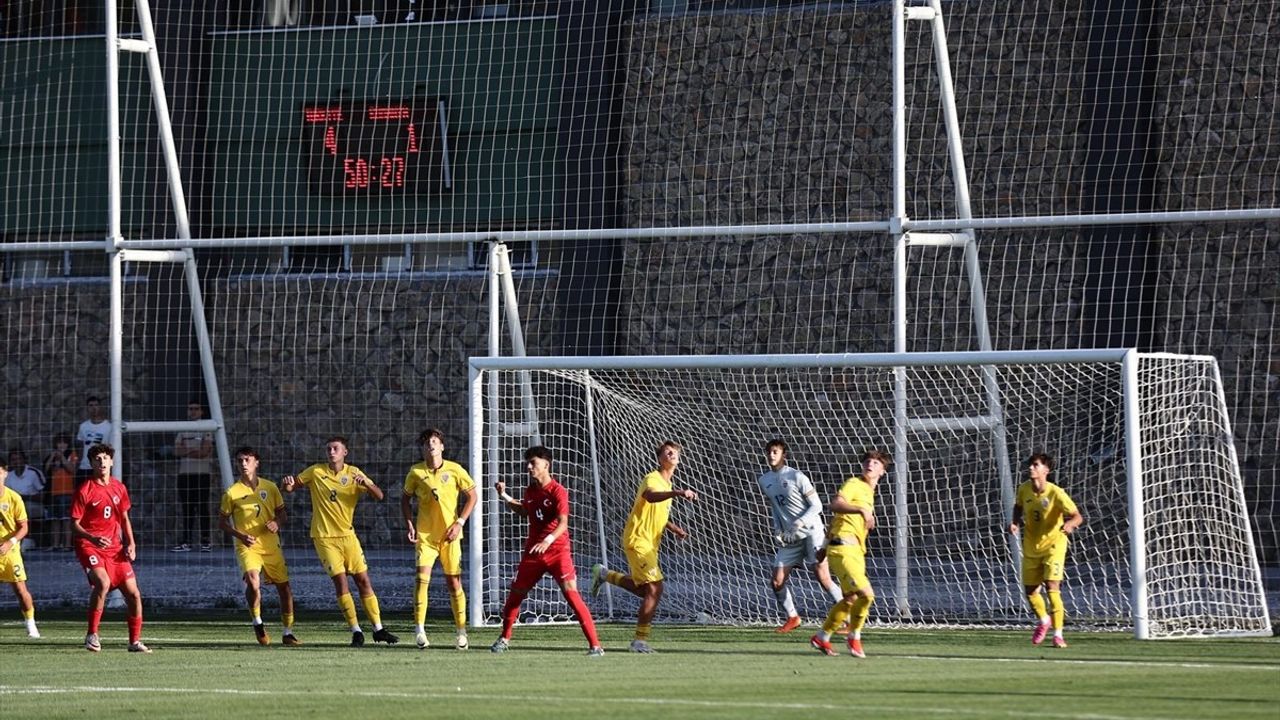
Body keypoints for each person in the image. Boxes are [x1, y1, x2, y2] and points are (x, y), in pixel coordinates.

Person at [282, 436, 398, 646]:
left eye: (335, 448)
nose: (331, 451)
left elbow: (379, 495)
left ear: (345, 452)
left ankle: (378, 629)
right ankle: (356, 631)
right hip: (324, 537)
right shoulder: (316, 471)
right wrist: (288, 485)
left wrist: (366, 485)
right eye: (328, 448)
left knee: (363, 580)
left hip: (348, 536)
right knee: (341, 581)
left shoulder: (354, 473)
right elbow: (292, 487)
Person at [490, 446, 603, 656]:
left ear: (546, 465)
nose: (529, 467)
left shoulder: (558, 491)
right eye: (528, 463)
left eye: (533, 463)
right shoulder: (530, 490)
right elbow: (524, 510)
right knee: (515, 594)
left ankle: (596, 646)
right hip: (534, 552)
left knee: (571, 595)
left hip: (558, 551)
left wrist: (548, 540)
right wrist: (503, 495)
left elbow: (563, 523)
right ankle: (504, 639)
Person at [590, 440, 697, 653]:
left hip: (649, 544)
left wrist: (674, 528)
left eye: (674, 452)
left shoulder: (665, 484)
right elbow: (649, 496)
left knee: (644, 590)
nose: (671, 454)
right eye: (667, 452)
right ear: (660, 459)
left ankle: (605, 574)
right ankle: (639, 642)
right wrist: (677, 493)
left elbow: (657, 513)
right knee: (656, 588)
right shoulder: (653, 478)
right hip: (638, 539)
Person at [756, 439, 845, 633]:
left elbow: (817, 506)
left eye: (775, 452)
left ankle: (846, 617)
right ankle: (793, 617)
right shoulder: (764, 480)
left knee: (822, 576)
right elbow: (775, 508)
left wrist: (799, 522)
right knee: (777, 580)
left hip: (812, 531)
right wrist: (777, 530)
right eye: (769, 452)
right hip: (790, 537)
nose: (772, 455)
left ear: (783, 455)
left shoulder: (797, 476)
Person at [400, 428, 476, 650]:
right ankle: (420, 631)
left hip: (450, 537)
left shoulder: (455, 470)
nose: (430, 445)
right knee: (422, 579)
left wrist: (460, 522)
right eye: (426, 443)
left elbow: (472, 495)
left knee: (454, 583)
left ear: (442, 446)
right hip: (426, 536)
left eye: (434, 441)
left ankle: (461, 632)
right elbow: (404, 499)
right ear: (422, 449)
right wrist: (409, 523)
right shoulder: (415, 472)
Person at [810, 449, 889, 659]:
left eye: (876, 463)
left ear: (882, 471)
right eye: (868, 461)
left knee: (850, 600)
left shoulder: (869, 494)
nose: (870, 464)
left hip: (853, 552)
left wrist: (823, 548)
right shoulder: (854, 484)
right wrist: (862, 511)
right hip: (843, 550)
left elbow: (837, 520)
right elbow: (835, 505)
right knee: (867, 595)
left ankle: (822, 637)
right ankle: (854, 637)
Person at [71, 443, 150, 653]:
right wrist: (92, 538)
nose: (102, 462)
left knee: (134, 594)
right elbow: (74, 525)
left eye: (105, 458)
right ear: (91, 464)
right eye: (97, 459)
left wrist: (131, 543)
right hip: (89, 545)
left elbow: (124, 518)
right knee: (103, 583)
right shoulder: (85, 490)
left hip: (115, 548)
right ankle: (92, 634)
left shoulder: (119, 488)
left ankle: (134, 642)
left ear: (111, 461)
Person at [219, 446, 300, 647]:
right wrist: (240, 535)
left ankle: (288, 632)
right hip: (248, 546)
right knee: (254, 583)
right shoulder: (232, 492)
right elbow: (221, 523)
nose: (243, 464)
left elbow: (282, 515)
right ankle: (257, 622)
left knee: (285, 589)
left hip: (271, 546)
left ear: (257, 462)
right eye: (240, 461)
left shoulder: (270, 487)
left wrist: (277, 523)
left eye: (247, 460)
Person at [1008, 452, 1083, 648]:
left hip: (1054, 546)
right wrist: (1015, 522)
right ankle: (1044, 620)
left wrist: (1070, 525)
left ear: (1046, 470)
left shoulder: (1056, 493)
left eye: (1035, 465)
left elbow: (1077, 516)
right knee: (1031, 591)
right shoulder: (1024, 489)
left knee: (1052, 589)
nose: (1031, 468)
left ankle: (1058, 635)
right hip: (1032, 546)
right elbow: (1018, 506)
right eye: (1030, 465)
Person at [0, 459, 41, 638]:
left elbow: (24, 527)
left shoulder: (13, 498)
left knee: (20, 589)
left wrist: (10, 543)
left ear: (5, 473)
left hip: (10, 551)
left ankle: (31, 624)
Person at [172, 399, 215, 552]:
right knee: (187, 508)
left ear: (202, 411)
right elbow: (176, 451)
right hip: (185, 474)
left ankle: (205, 541)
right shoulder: (183, 429)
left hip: (202, 474)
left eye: (196, 409)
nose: (193, 411)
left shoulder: (207, 427)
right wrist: (194, 450)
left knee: (203, 507)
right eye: (190, 409)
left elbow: (205, 451)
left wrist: (187, 450)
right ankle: (186, 542)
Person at [42, 434, 77, 550]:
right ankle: (55, 545)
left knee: (66, 519)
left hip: (67, 491)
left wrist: (62, 458)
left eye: (64, 443)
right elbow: (46, 470)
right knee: (54, 520)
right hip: (53, 492)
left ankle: (67, 544)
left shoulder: (71, 455)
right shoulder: (51, 456)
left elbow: (72, 469)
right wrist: (53, 458)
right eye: (59, 443)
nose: (61, 445)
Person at [6, 450, 45, 550]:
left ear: (24, 460)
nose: (16, 462)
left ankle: (27, 540)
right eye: (13, 460)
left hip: (33, 504)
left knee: (24, 509)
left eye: (19, 459)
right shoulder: (8, 476)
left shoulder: (33, 473)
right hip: (13, 504)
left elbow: (44, 495)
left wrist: (24, 497)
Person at [75, 396, 111, 485]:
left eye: (96, 405)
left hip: (100, 467)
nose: (94, 408)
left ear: (100, 407)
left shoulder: (109, 427)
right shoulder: (83, 426)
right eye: (91, 405)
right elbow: (80, 447)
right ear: (87, 408)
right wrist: (77, 464)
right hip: (84, 467)